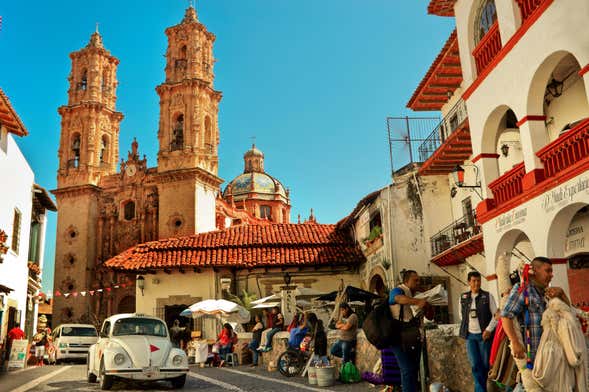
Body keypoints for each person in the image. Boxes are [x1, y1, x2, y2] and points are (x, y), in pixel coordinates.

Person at [501, 257, 570, 389]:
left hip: (551, 360)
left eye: (552, 271)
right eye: (548, 271)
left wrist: (562, 295)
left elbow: (569, 315)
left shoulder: (548, 294)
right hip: (532, 359)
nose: (551, 275)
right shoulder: (523, 290)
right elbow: (506, 316)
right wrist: (515, 342)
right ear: (535, 270)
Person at [388, 270, 429, 392]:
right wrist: (417, 301)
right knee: (407, 370)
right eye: (415, 280)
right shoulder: (399, 290)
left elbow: (429, 317)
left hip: (413, 338)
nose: (418, 282)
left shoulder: (416, 294)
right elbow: (395, 298)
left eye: (418, 280)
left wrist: (428, 306)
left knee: (413, 370)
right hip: (398, 337)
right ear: (406, 281)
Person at [459, 271, 498, 392]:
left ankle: (484, 388)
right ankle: (480, 390)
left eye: (478, 281)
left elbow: (496, 315)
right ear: (469, 282)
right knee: (475, 365)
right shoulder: (463, 297)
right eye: (474, 281)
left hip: (484, 336)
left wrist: (489, 329)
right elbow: (462, 315)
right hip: (470, 336)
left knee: (485, 365)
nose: (476, 283)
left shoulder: (487, 296)